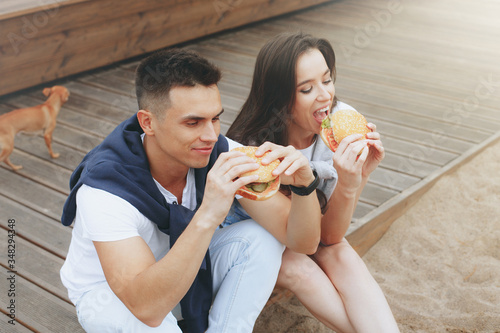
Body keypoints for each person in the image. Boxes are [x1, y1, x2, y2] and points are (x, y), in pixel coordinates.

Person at [59, 48, 322, 333]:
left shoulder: (220, 152)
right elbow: (146, 307)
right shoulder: (104, 191)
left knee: (260, 239)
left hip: (187, 268)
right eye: (193, 122)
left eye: (215, 119)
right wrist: (209, 212)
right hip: (115, 295)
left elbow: (302, 242)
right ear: (148, 122)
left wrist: (304, 187)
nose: (210, 136)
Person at [226, 32, 400, 333]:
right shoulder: (253, 153)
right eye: (307, 88)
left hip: (307, 230)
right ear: (278, 99)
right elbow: (302, 244)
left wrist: (354, 179)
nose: (324, 96)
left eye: (327, 80)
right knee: (297, 265)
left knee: (341, 254)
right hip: (253, 236)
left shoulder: (340, 126)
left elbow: (329, 238)